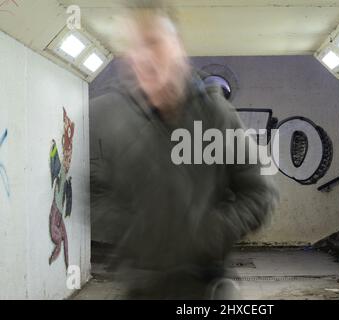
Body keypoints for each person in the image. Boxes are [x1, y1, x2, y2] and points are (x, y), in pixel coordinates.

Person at [90, 6, 279, 299]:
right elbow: (91, 191)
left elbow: (259, 194)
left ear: (177, 47)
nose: (142, 57)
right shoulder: (115, 119)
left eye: (152, 42)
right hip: (140, 287)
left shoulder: (216, 116)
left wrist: (209, 233)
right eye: (132, 49)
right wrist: (133, 231)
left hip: (206, 287)